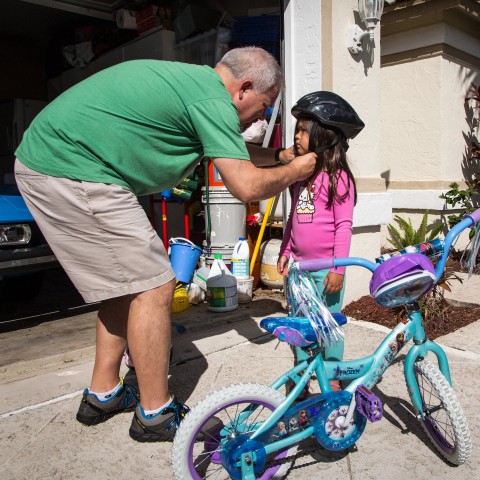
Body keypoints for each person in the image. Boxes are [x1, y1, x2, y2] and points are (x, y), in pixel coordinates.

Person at [14, 46, 317, 443]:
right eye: (264, 106)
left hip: (55, 162)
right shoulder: (213, 100)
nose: (262, 117)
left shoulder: (198, 87)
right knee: (154, 286)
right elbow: (245, 186)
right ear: (243, 88)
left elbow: (229, 147)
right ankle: (155, 414)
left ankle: (102, 394)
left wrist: (276, 154)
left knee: (125, 286)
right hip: (73, 169)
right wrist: (293, 169)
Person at [277, 91, 365, 395]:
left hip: (326, 269)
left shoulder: (338, 177)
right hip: (299, 269)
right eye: (297, 129)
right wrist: (285, 250)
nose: (297, 136)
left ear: (323, 136)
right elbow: (293, 220)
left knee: (327, 325)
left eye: (304, 130)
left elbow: (344, 226)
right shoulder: (300, 177)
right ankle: (302, 372)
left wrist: (338, 268)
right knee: (299, 323)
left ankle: (334, 374)